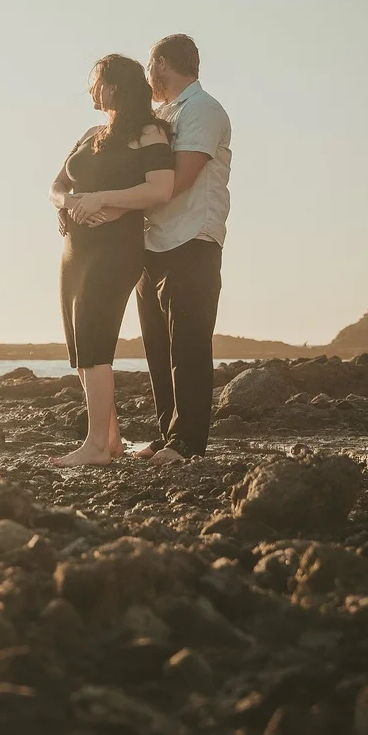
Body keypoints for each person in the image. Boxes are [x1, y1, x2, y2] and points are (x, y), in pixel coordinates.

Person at [48, 55, 175, 466]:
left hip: (115, 249)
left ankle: (96, 447)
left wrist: (104, 201)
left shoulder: (149, 132)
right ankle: (111, 441)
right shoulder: (90, 133)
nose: (91, 91)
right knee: (82, 349)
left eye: (96, 82)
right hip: (75, 251)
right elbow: (55, 186)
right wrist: (70, 202)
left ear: (116, 86)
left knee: (96, 344)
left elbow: (159, 188)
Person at [135, 34, 231, 464]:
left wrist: (115, 198)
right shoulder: (159, 114)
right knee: (157, 345)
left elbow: (180, 180)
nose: (146, 77)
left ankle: (188, 442)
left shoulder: (204, 110)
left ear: (161, 64)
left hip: (193, 240)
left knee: (189, 344)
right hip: (153, 243)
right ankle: (167, 434)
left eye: (148, 68)